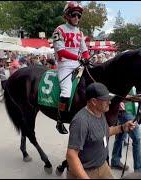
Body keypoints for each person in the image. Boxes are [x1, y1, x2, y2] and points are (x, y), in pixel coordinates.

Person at [66, 82, 136, 179]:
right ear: (94, 101)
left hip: (102, 167)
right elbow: (71, 155)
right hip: (85, 172)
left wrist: (122, 127)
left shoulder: (100, 113)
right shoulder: (81, 122)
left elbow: (104, 132)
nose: (110, 102)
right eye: (105, 100)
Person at [53, 1, 90, 134]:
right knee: (66, 92)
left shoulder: (79, 32)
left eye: (79, 16)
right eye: (74, 14)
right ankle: (60, 120)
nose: (77, 18)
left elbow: (84, 50)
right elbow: (61, 51)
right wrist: (79, 58)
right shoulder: (59, 30)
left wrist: (87, 58)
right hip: (65, 65)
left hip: (79, 65)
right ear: (67, 15)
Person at [111, 88, 141, 172]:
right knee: (138, 138)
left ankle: (115, 161)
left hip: (132, 109)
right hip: (125, 110)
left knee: (120, 135)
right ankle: (138, 172)